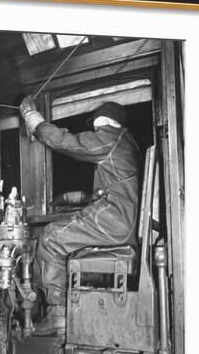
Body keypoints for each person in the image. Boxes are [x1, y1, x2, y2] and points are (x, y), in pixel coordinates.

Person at [19, 97, 141, 337]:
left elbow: (68, 142)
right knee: (58, 233)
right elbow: (103, 190)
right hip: (120, 218)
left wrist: (33, 120)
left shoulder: (111, 138)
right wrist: (68, 198)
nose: (95, 128)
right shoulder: (126, 144)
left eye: (97, 124)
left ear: (106, 121)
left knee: (50, 237)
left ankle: (58, 314)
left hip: (115, 220)